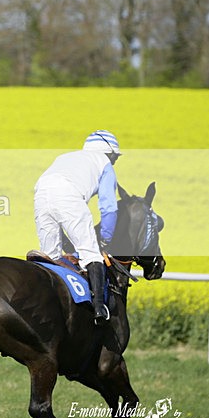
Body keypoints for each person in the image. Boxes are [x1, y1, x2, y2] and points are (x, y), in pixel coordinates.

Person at [33, 130, 121, 325]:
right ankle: (99, 310)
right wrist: (105, 238)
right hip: (68, 193)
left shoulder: (65, 157)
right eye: (115, 157)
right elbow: (109, 207)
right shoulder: (104, 163)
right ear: (109, 152)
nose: (114, 161)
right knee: (92, 253)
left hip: (41, 192)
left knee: (52, 257)